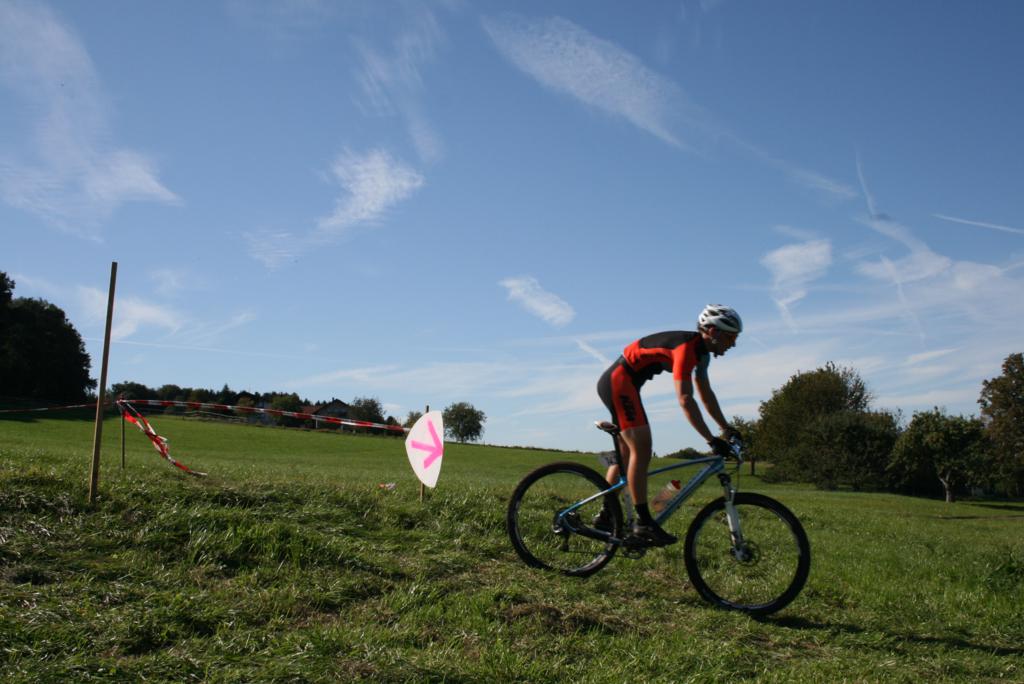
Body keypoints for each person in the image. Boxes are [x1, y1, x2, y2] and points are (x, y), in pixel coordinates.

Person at [596, 304, 743, 547]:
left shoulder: (702, 355)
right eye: (730, 337)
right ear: (712, 332)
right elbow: (685, 399)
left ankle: (605, 516)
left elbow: (706, 394)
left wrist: (726, 429)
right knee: (642, 448)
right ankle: (643, 523)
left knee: (626, 454)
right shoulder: (686, 349)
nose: (733, 344)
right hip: (619, 382)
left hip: (624, 383)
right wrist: (710, 439)